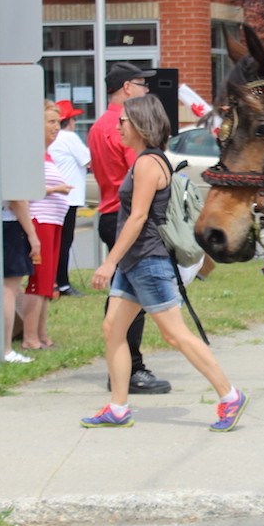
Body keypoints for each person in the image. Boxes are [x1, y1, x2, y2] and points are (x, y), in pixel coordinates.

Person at [82, 95, 248, 431]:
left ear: (140, 124)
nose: (118, 127)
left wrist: (109, 262)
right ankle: (118, 407)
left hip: (148, 261)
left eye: (123, 122)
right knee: (113, 328)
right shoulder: (146, 160)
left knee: (175, 334)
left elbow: (138, 218)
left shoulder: (148, 164)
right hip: (135, 262)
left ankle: (230, 395)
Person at [87, 62, 171, 395]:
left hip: (109, 212)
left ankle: (122, 368)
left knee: (123, 297)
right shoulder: (124, 127)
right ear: (126, 88)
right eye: (141, 84)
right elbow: (138, 172)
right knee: (134, 299)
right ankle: (131, 368)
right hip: (127, 218)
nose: (146, 90)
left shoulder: (98, 126)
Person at [22, 101, 73, 350]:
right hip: (39, 220)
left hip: (53, 221)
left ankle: (41, 334)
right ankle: (30, 336)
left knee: (47, 281)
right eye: (51, 122)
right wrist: (56, 189)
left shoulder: (48, 154)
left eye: (58, 123)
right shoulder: (31, 154)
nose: (56, 127)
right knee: (38, 280)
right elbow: (26, 189)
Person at [0, 198, 39, 364]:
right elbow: (17, 200)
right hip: (10, 224)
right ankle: (5, 349)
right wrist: (32, 234)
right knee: (8, 289)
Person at [49, 99, 91, 297]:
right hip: (69, 197)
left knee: (56, 242)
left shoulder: (54, 139)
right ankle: (63, 282)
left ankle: (54, 280)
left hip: (56, 197)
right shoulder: (69, 137)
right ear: (69, 121)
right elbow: (88, 159)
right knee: (65, 242)